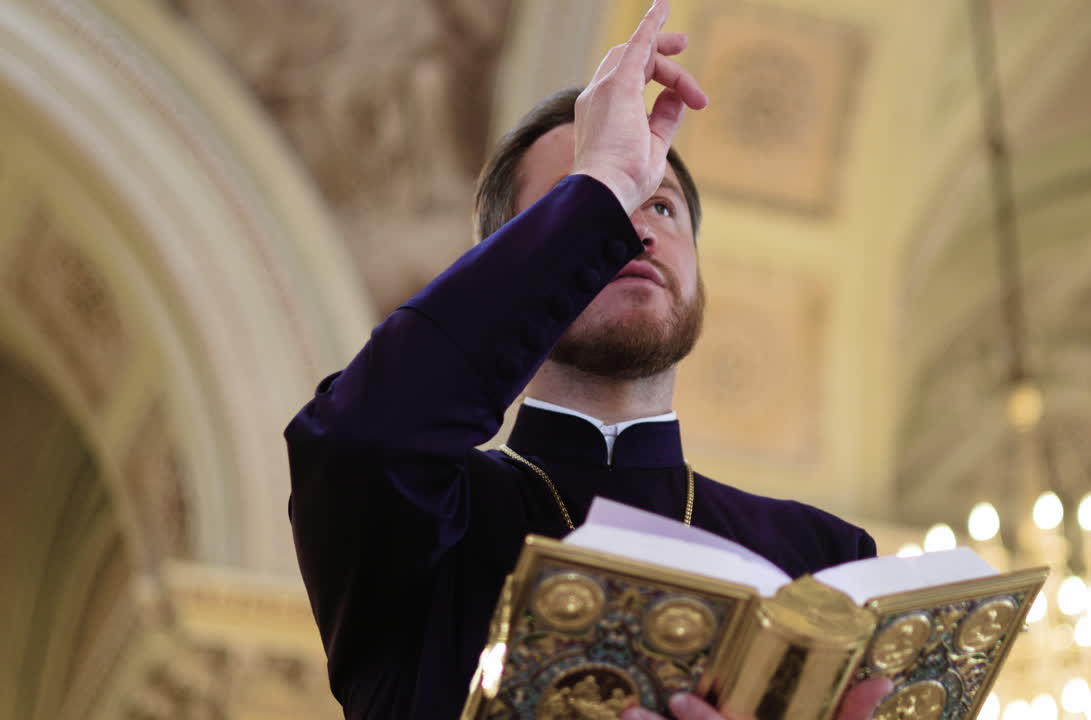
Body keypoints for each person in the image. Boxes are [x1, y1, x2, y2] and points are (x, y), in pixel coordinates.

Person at [285, 1, 892, 718]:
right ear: (515, 266)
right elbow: (359, 437)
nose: (633, 229)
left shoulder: (820, 556)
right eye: (595, 202)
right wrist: (603, 178)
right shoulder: (431, 518)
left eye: (660, 205)